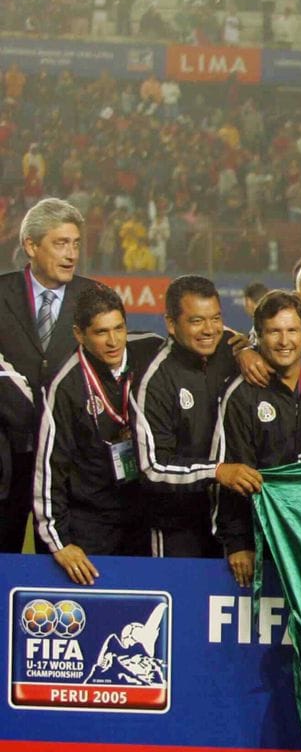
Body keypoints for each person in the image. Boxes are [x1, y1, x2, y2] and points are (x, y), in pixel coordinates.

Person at [33, 285, 165, 583]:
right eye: (101, 332)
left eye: (119, 328)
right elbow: (48, 469)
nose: (113, 340)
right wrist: (60, 543)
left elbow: (203, 337)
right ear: (79, 334)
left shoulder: (151, 349)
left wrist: (245, 351)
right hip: (92, 524)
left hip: (145, 517)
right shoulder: (65, 385)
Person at [213, 292, 301, 586]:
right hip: (264, 531)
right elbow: (235, 472)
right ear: (257, 337)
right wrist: (238, 542)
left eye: (292, 331)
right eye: (274, 332)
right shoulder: (242, 394)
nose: (285, 341)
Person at [133, 276, 264, 558]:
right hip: (177, 527)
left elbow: (280, 344)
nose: (209, 330)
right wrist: (216, 471)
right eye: (196, 321)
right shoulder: (156, 380)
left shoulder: (233, 348)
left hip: (232, 523)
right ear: (171, 324)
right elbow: (152, 468)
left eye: (215, 318)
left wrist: (250, 349)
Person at [0, 198, 97, 550]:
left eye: (75, 244)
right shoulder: (1, 294)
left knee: (57, 561)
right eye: (60, 243)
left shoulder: (94, 298)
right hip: (7, 460)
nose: (71, 254)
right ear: (30, 246)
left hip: (67, 463)